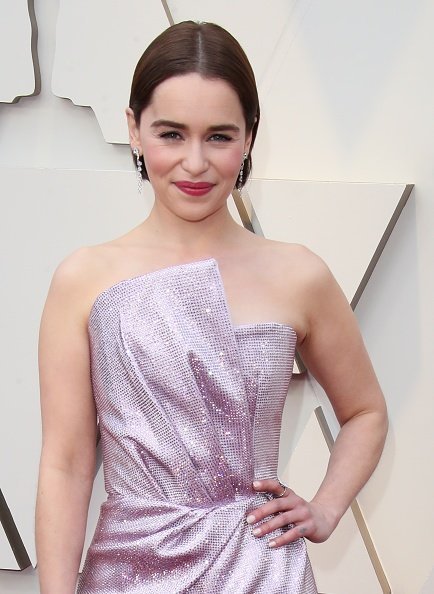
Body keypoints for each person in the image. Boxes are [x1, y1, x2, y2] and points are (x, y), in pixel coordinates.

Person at [35, 20, 388, 594]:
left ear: (249, 136)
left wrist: (324, 510)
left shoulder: (298, 273)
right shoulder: (84, 278)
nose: (195, 163)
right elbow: (67, 464)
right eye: (171, 134)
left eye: (219, 136)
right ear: (134, 128)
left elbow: (366, 413)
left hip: (261, 571)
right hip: (128, 572)